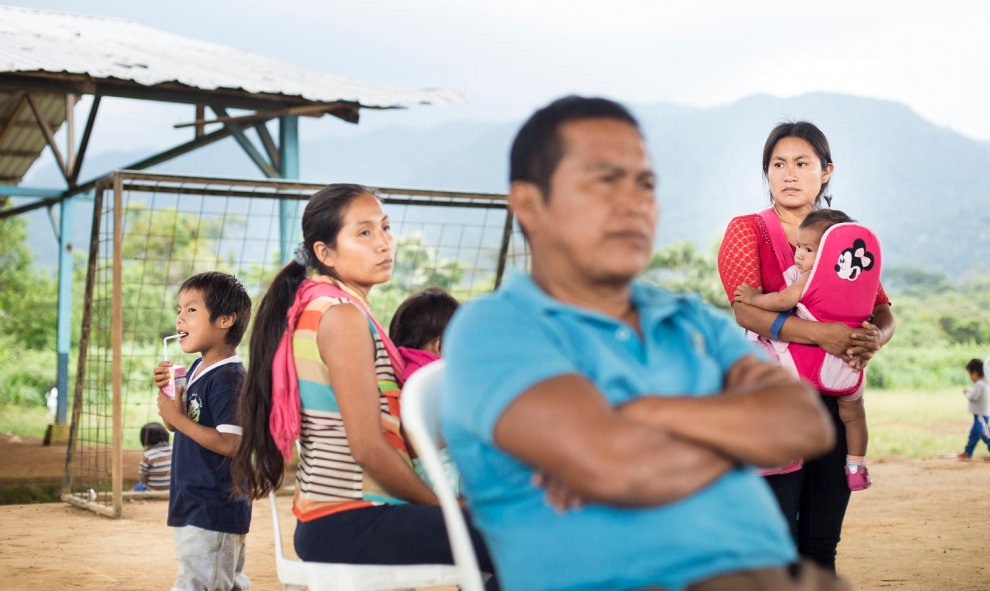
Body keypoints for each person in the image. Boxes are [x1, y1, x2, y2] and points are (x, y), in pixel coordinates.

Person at [442, 96, 845, 591]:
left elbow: (801, 420)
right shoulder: (495, 328)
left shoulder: (689, 320)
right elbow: (604, 461)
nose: (632, 202)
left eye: (644, 183)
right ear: (530, 204)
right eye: (602, 182)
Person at [229, 185, 497, 585]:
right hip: (349, 519)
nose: (384, 243)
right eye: (365, 233)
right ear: (325, 253)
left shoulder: (327, 307)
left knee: (514, 521)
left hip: (340, 519)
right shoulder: (340, 316)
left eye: (385, 228)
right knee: (524, 535)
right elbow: (369, 448)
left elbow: (394, 433)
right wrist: (445, 506)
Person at [717, 121, 896, 570]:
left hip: (835, 402)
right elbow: (747, 311)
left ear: (827, 171)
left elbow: (882, 309)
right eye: (778, 164)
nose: (789, 174)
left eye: (802, 164)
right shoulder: (747, 230)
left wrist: (872, 338)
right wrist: (825, 335)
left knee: (820, 546)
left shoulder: (844, 237)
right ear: (767, 172)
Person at [733, 209, 875, 491]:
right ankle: (856, 465)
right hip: (850, 367)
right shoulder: (859, 284)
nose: (799, 255)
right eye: (798, 246)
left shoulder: (810, 277)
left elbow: (783, 300)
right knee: (855, 414)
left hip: (809, 367)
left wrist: (753, 298)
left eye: (808, 249)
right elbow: (872, 315)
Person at [152, 271, 253, 591]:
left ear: (225, 320)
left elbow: (233, 442)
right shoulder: (198, 368)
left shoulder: (228, 380)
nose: (180, 317)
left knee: (199, 584)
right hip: (195, 502)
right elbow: (176, 425)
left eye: (191, 310)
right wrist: (172, 398)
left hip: (214, 506)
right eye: (179, 310)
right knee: (220, 582)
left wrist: (177, 419)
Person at [388, 287, 461, 492]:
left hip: (421, 478)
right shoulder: (435, 376)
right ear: (440, 345)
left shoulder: (399, 371)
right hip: (452, 479)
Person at [958, 358, 990, 460]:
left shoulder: (979, 384)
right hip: (981, 414)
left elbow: (973, 397)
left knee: (984, 434)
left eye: (969, 374)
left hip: (981, 414)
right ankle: (968, 452)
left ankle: (968, 452)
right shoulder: (985, 383)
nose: (970, 377)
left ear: (975, 373)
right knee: (975, 434)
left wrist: (967, 392)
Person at [135, 421, 172, 492]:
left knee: (138, 487)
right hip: (173, 490)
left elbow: (142, 479)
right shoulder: (175, 449)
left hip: (153, 491)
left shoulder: (148, 455)